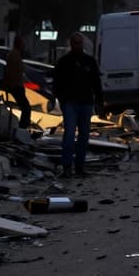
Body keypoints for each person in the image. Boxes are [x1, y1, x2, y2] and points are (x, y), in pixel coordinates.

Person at [53, 32, 103, 179]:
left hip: (86, 103)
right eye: (75, 43)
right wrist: (62, 100)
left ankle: (79, 167)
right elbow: (57, 83)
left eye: (79, 43)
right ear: (71, 44)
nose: (77, 46)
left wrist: (100, 103)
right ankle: (67, 167)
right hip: (70, 103)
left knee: (84, 136)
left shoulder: (89, 61)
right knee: (69, 135)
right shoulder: (64, 62)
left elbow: (96, 83)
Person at [3, 35, 31, 130]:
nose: (24, 46)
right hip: (15, 86)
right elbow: (12, 72)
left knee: (25, 107)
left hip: (15, 85)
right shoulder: (15, 55)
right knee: (26, 107)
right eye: (23, 43)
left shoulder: (14, 54)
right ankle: (22, 128)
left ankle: (22, 128)